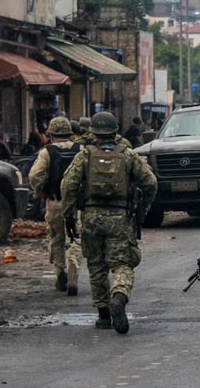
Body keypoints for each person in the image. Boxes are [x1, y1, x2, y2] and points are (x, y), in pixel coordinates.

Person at [60, 111, 158, 334]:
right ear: (115, 133)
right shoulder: (128, 155)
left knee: (96, 265)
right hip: (119, 218)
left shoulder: (84, 156)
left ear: (93, 134)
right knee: (122, 264)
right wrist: (144, 207)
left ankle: (104, 315)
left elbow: (68, 186)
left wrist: (68, 215)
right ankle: (119, 298)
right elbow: (150, 182)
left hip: (91, 218)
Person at [29, 117, 84, 296]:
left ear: (51, 135)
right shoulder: (80, 150)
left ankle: (61, 274)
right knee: (75, 237)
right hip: (77, 204)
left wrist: (40, 191)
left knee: (56, 238)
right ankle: (74, 271)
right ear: (69, 133)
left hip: (55, 202)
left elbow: (34, 176)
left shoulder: (47, 152)